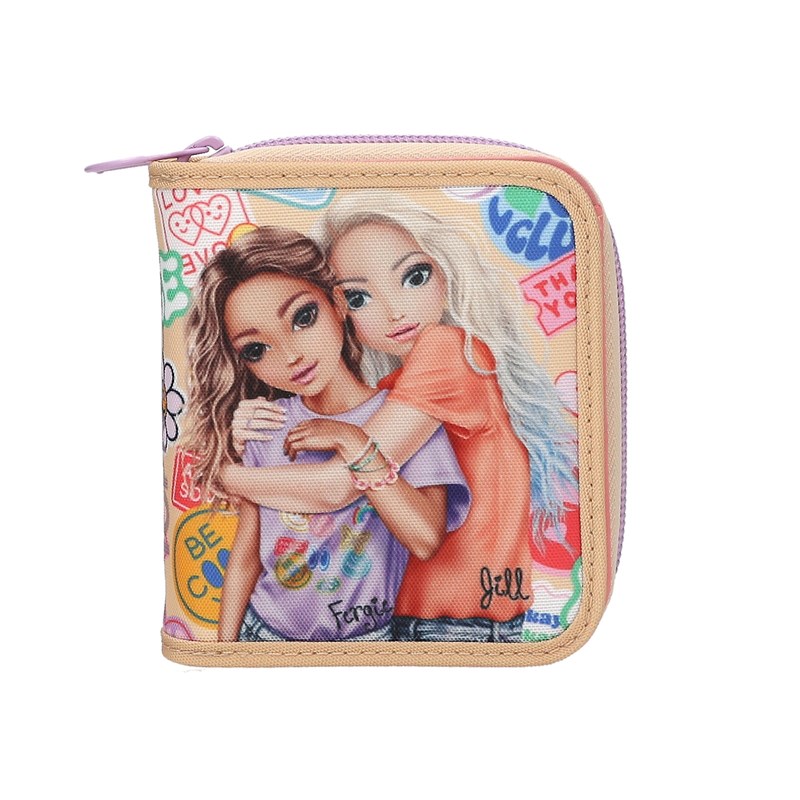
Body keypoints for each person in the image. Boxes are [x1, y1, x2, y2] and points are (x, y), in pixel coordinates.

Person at [224, 193, 577, 642]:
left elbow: (337, 486)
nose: (394, 311)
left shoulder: (447, 352)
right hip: (403, 624)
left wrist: (226, 474)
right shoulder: (395, 392)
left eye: (414, 276)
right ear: (341, 307)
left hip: (451, 627)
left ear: (445, 272)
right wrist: (249, 431)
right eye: (360, 297)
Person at [184, 225, 470, 642]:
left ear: (337, 303)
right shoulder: (266, 424)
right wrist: (225, 653)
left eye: (303, 318)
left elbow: (425, 539)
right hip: (262, 632)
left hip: (368, 639)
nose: (291, 355)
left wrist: (354, 443)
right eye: (256, 350)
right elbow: (247, 555)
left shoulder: (402, 418)